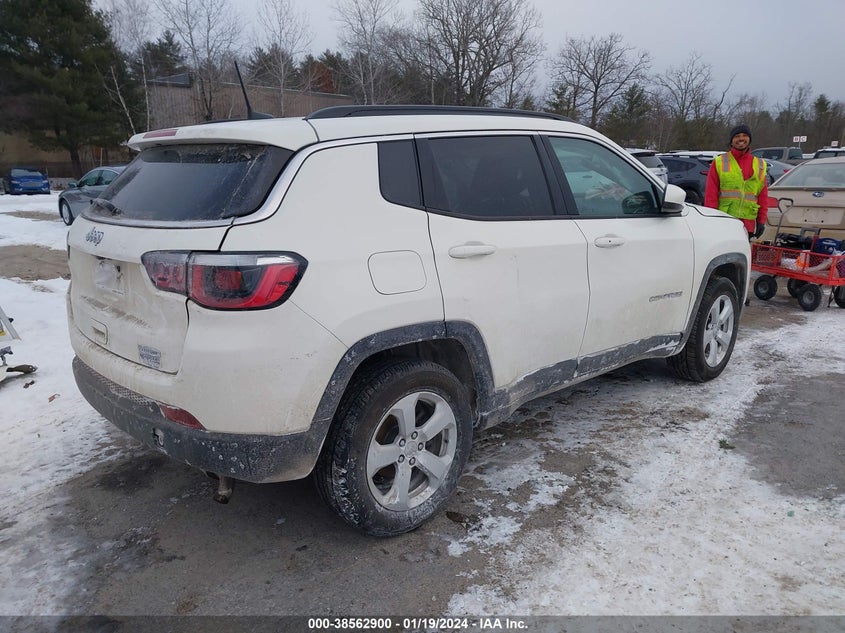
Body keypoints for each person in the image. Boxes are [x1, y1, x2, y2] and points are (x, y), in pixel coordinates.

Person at [704, 124, 768, 240]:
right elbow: (710, 195)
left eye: (745, 135)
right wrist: (712, 219)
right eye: (737, 136)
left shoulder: (760, 165)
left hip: (747, 225)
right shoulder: (720, 162)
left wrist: (761, 220)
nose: (741, 139)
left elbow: (762, 196)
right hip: (725, 222)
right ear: (731, 141)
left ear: (749, 139)